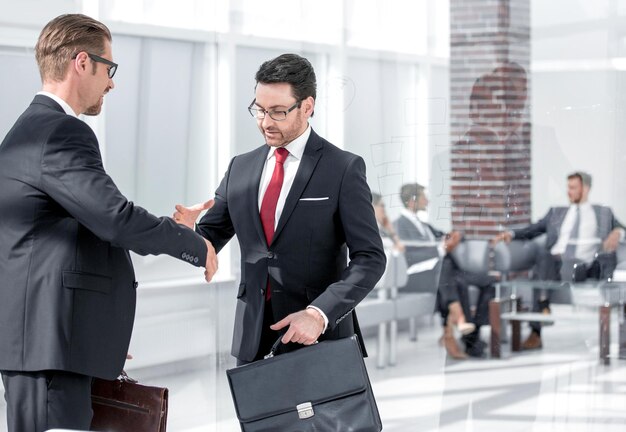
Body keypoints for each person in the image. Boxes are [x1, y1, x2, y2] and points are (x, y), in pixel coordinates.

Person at [0, 14, 218, 432]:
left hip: (48, 346)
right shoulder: (60, 131)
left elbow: (60, 242)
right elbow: (115, 219)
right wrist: (193, 244)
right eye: (109, 69)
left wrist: (96, 327)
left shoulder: (32, 130)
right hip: (48, 353)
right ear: (82, 63)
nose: (112, 83)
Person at [174, 53, 386, 364]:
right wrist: (187, 232)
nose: (265, 122)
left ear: (307, 107)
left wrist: (319, 314)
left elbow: (370, 258)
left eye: (277, 112)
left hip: (318, 337)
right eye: (259, 110)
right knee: (255, 415)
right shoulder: (241, 168)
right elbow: (210, 238)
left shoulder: (342, 168)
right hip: (253, 336)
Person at [492, 171, 625, 350]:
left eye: (573, 188)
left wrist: (617, 232)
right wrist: (512, 234)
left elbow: (621, 227)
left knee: (542, 273)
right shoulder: (557, 212)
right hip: (553, 264)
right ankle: (543, 307)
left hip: (582, 266)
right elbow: (535, 229)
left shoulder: (602, 212)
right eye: (568, 187)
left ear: (585, 189)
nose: (568, 192)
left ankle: (539, 318)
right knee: (543, 255)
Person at [394, 183, 495, 359]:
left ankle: (473, 332)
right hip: (420, 274)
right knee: (450, 273)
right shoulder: (399, 225)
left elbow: (442, 236)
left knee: (489, 281)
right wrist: (442, 249)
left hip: (445, 272)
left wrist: (453, 237)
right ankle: (467, 334)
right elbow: (412, 255)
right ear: (412, 201)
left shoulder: (423, 224)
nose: (428, 200)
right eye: (424, 196)